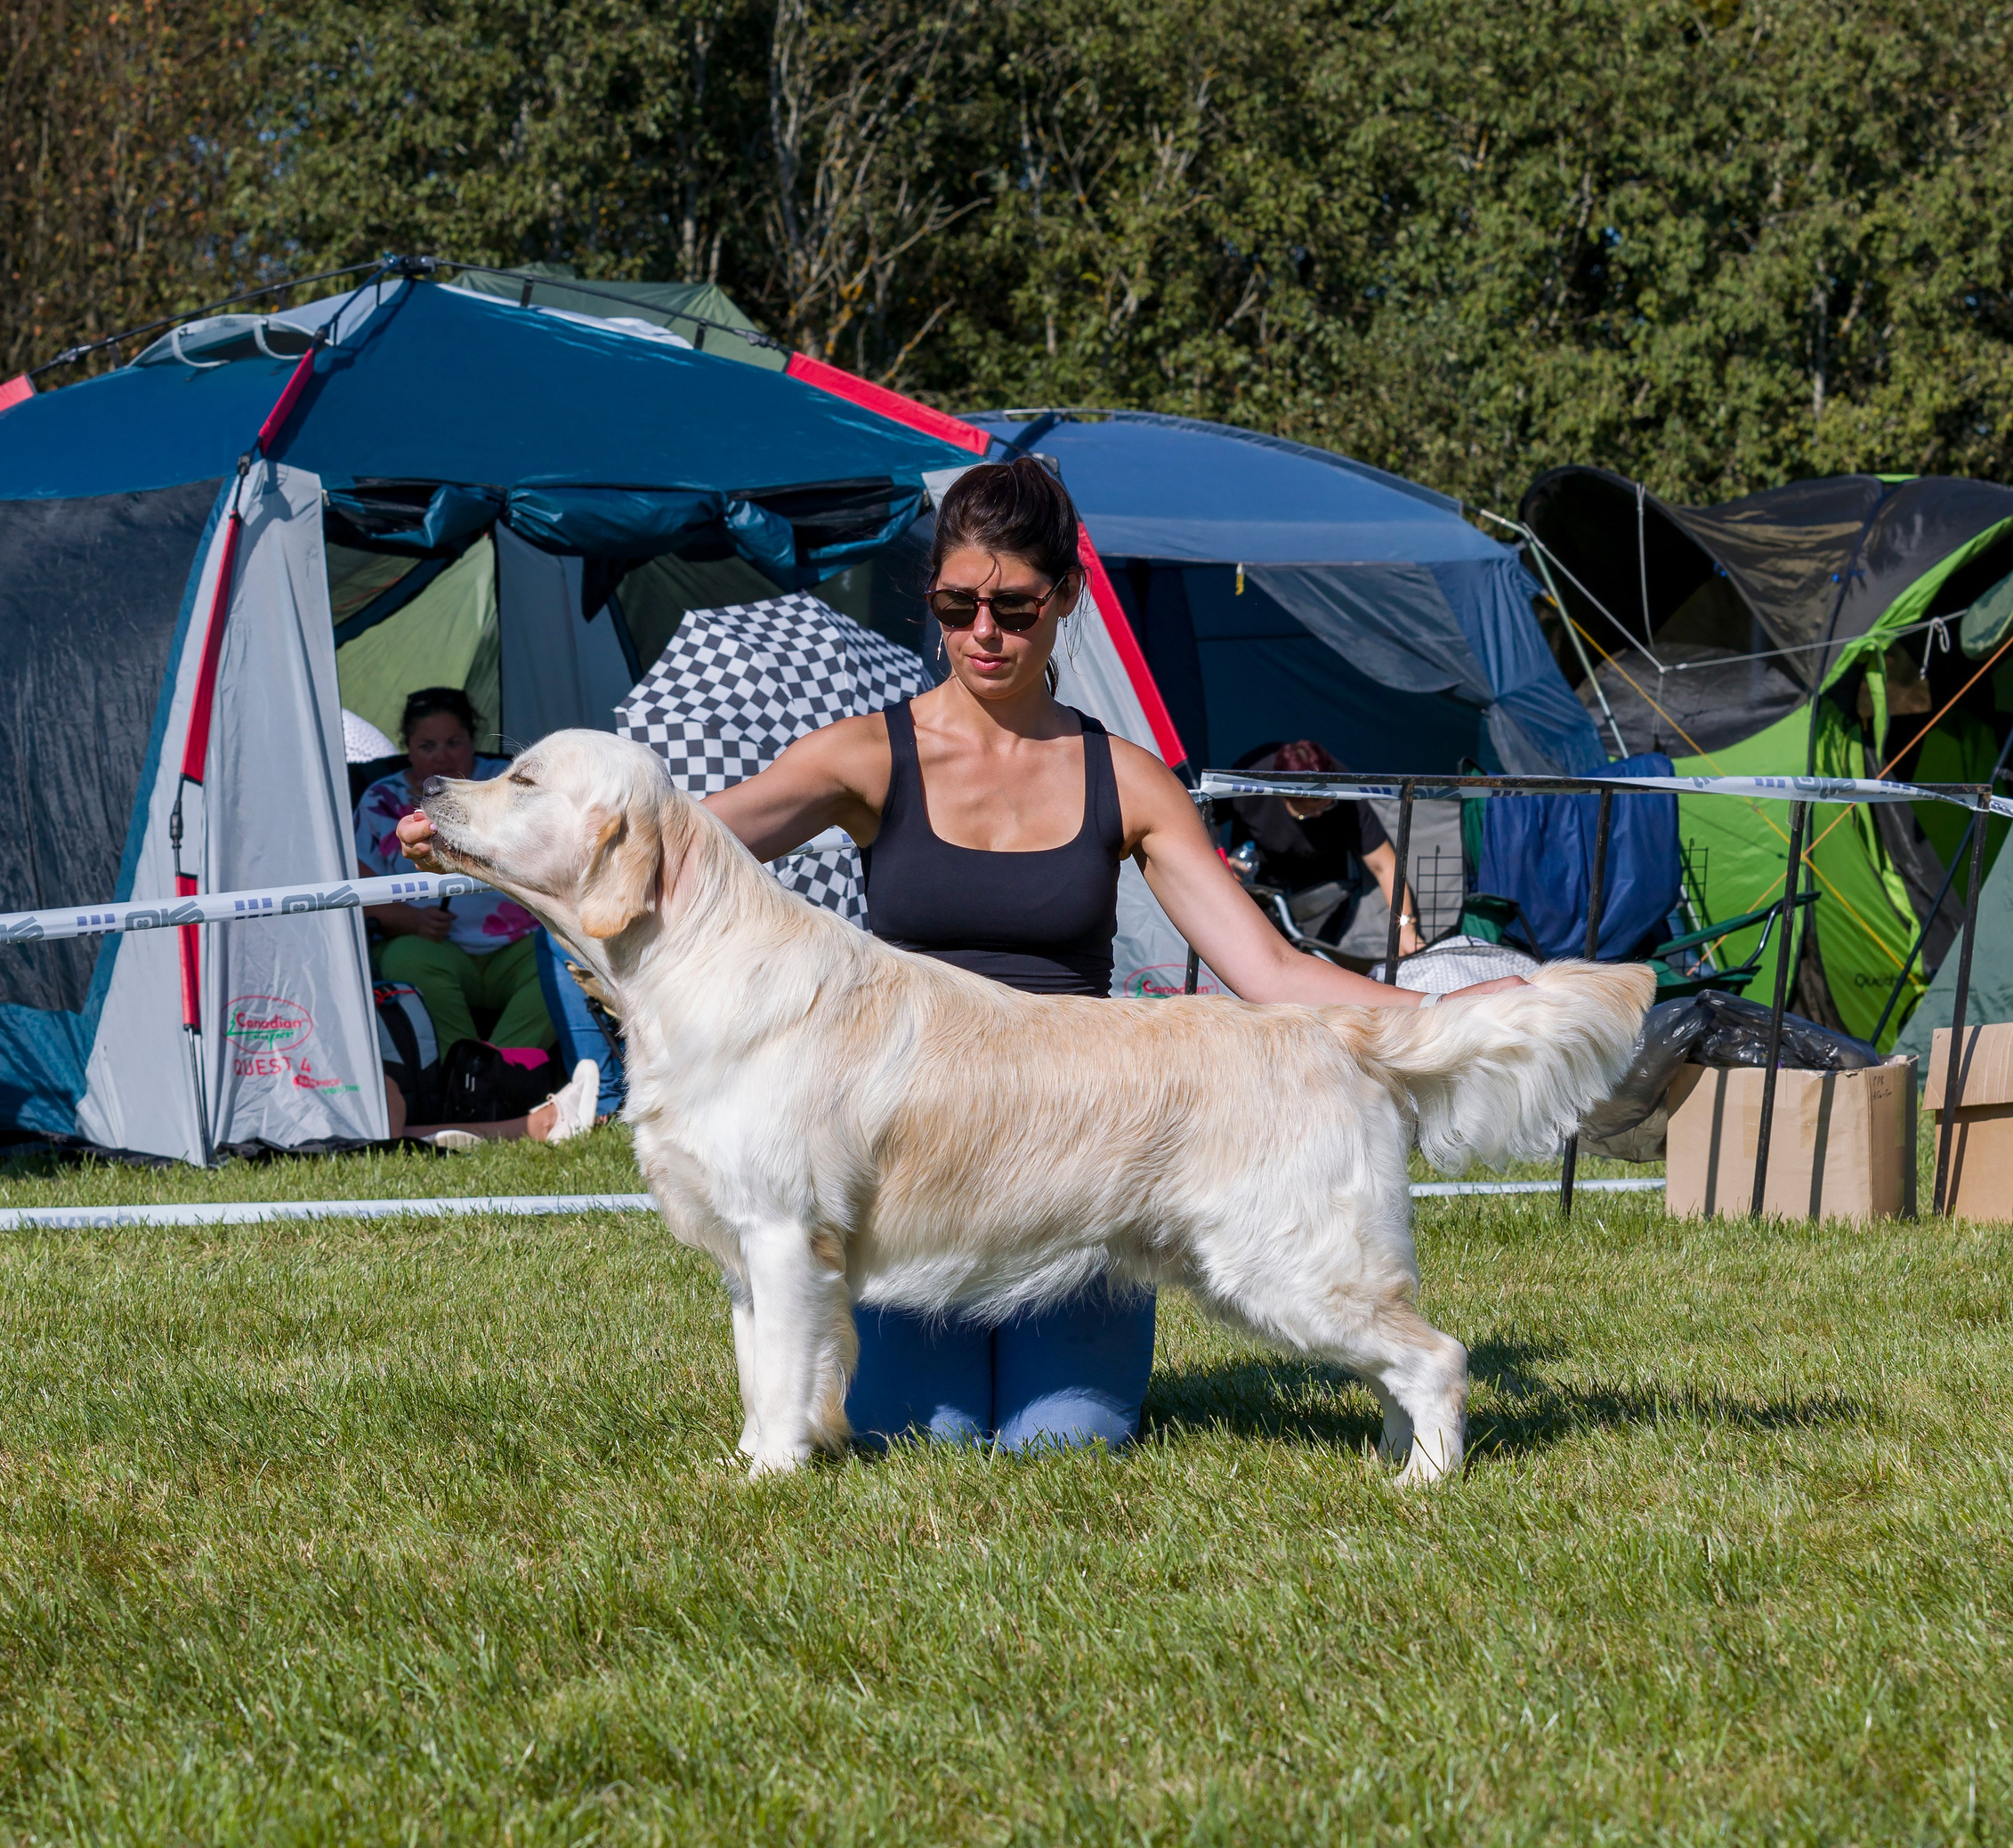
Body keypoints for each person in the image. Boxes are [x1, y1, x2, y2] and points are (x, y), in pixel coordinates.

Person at [684, 455, 1521, 1456]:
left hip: (1083, 1161)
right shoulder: (863, 754)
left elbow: (1270, 971)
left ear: (1066, 597)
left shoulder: (1123, 776)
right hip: (918, 1172)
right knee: (920, 1439)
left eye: (1015, 607)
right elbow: (675, 846)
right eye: (957, 606)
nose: (984, 634)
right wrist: (494, 831)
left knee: (1063, 1446)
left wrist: (1448, 1020)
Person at [355, 687, 555, 1061]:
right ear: (407, 748)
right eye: (427, 746)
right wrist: (412, 920)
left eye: (454, 742)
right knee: (404, 959)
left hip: (518, 945)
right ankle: (457, 1069)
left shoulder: (508, 781)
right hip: (436, 949)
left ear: (472, 740)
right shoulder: (381, 800)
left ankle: (497, 1072)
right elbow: (358, 888)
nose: (443, 757)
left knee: (564, 957)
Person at [1224, 739, 1422, 958]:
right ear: (1280, 795)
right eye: (1306, 813)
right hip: (1258, 885)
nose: (1318, 816)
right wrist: (1220, 860)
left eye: (1326, 806)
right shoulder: (1249, 781)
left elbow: (1385, 866)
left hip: (1322, 890)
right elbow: (1203, 817)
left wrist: (1405, 927)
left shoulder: (1344, 790)